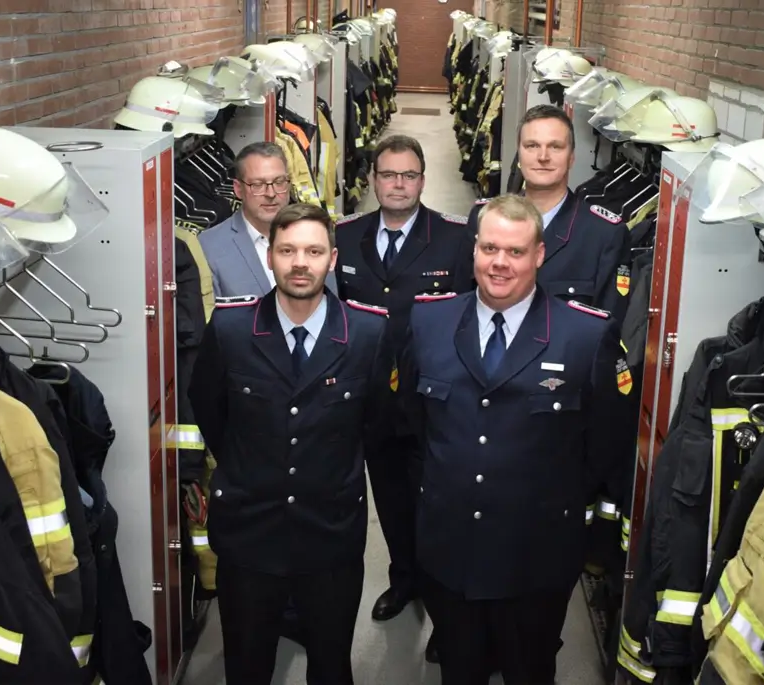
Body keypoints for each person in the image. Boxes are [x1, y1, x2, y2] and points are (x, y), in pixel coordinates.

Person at [399, 195, 624, 685]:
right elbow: (412, 425)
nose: (500, 263)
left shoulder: (584, 336)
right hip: (449, 549)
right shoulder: (428, 322)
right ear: (473, 250)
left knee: (530, 670)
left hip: (536, 556)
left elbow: (603, 443)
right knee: (459, 670)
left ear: (539, 255)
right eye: (489, 248)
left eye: (516, 252)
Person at [189, 203, 392, 685]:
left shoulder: (368, 331)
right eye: (288, 250)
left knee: (330, 663)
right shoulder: (232, 328)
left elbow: (379, 421)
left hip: (330, 535)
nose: (301, 262)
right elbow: (210, 409)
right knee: (247, 663)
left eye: (314, 251)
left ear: (332, 258)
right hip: (250, 533)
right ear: (271, 259)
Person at [334, 134, 476, 626]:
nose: (398, 184)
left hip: (433, 399)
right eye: (389, 174)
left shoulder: (456, 239)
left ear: (422, 179)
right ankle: (404, 580)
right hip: (371, 402)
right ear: (373, 179)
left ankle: (444, 613)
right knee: (391, 502)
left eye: (409, 175)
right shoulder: (345, 236)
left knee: (438, 506)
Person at [465, 104, 630, 327]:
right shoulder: (483, 218)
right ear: (519, 154)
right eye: (532, 146)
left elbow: (608, 329)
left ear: (571, 157)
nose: (543, 157)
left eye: (555, 147)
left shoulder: (603, 235)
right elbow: (463, 307)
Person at [199, 141, 338, 298]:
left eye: (279, 183)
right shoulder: (209, 247)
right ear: (238, 189)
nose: (271, 194)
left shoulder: (315, 235)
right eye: (258, 185)